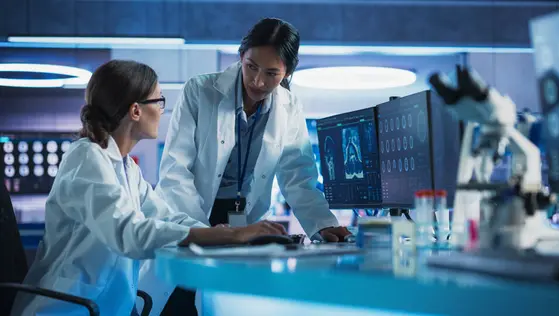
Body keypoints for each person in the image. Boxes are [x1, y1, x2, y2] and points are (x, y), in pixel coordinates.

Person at [9, 60, 286, 316]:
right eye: (159, 101)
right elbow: (130, 234)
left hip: (102, 307)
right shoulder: (87, 157)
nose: (162, 111)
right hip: (66, 308)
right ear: (136, 110)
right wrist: (234, 235)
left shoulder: (127, 167)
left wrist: (224, 234)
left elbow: (165, 217)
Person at [138, 17, 352, 315]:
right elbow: (176, 171)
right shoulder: (200, 91)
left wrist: (323, 224)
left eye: (272, 73)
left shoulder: (289, 108)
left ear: (288, 72)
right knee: (180, 304)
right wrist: (204, 232)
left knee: (226, 304)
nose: (258, 81)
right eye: (251, 66)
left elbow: (298, 178)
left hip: (246, 223)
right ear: (241, 56)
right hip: (190, 212)